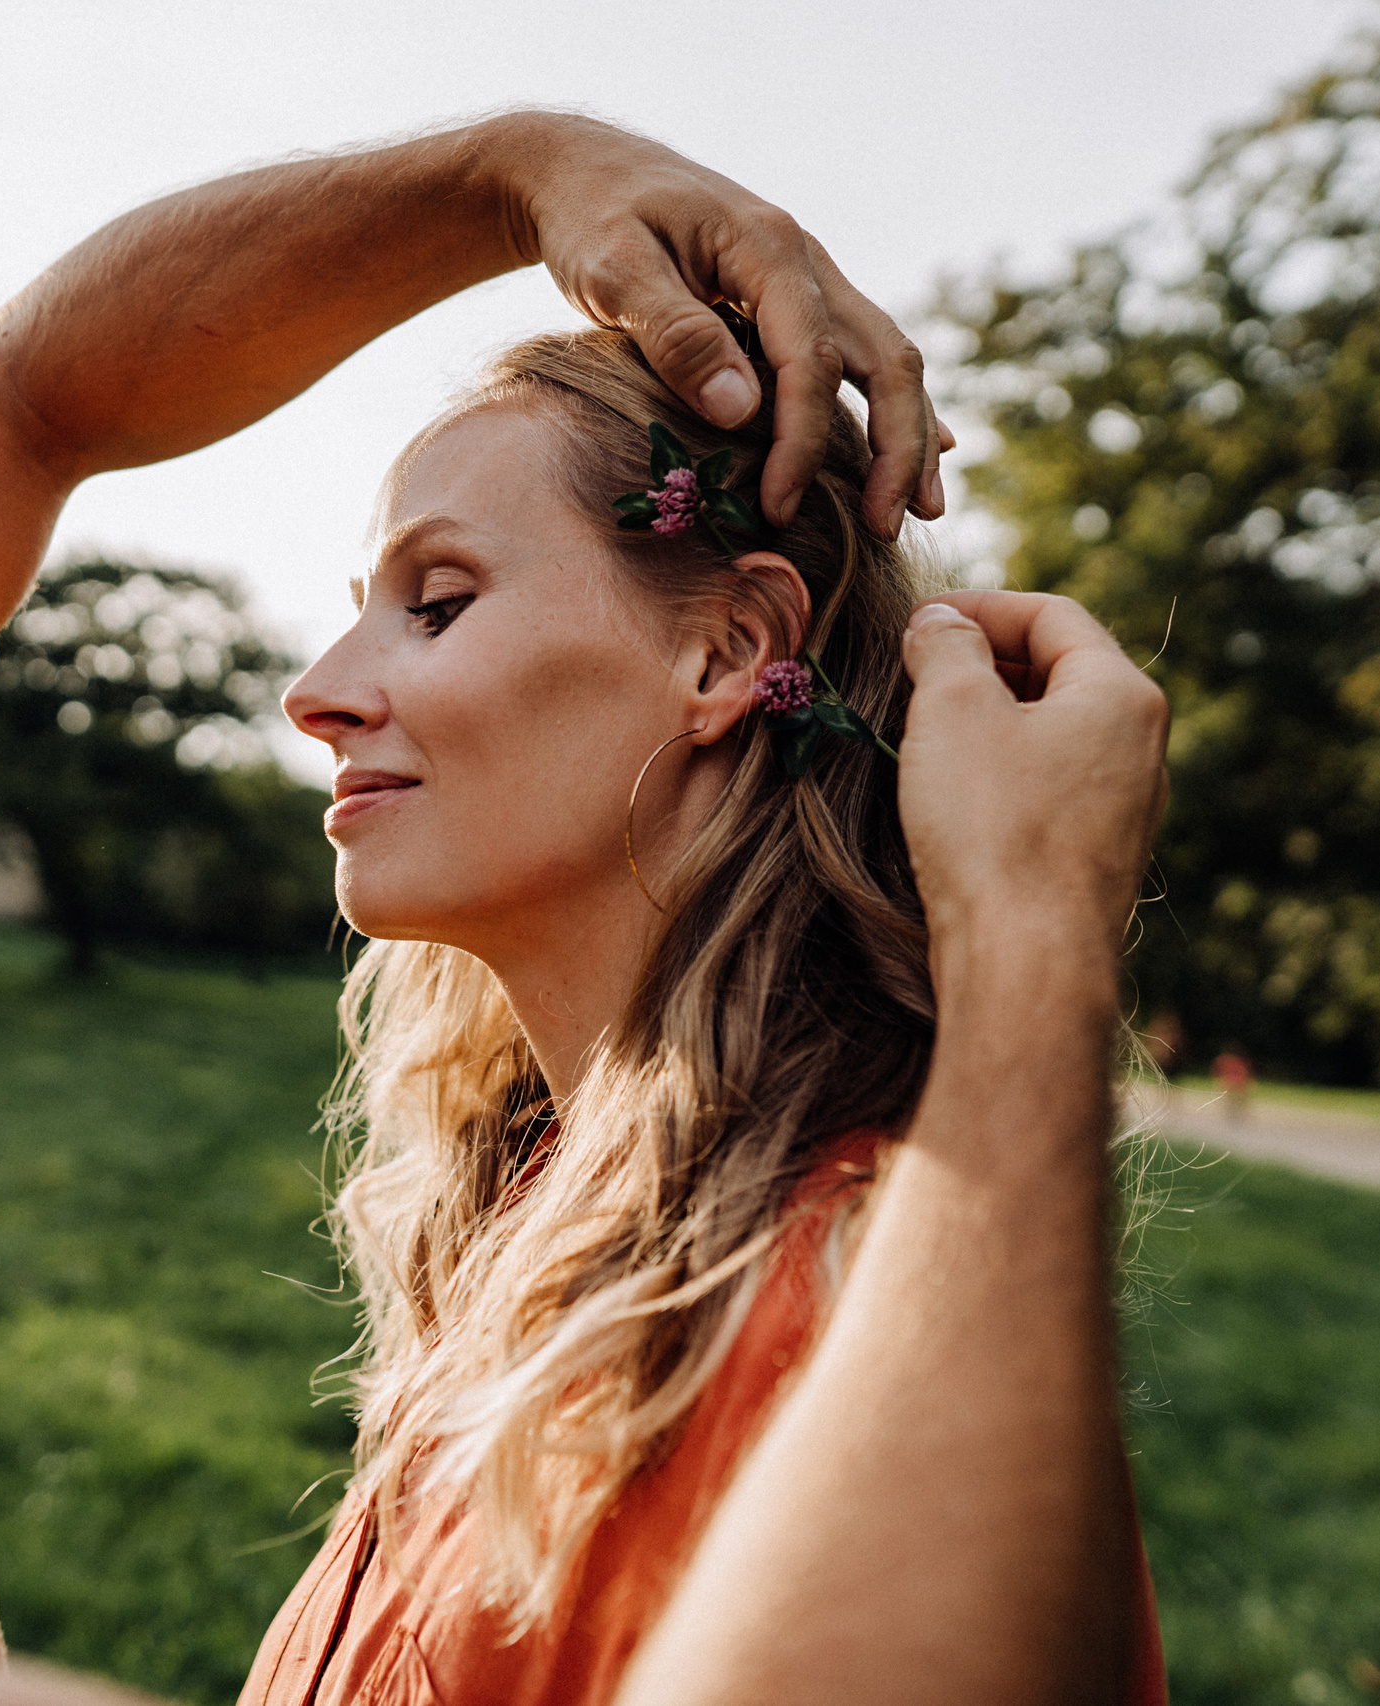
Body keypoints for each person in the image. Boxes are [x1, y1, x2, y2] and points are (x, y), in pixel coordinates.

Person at [0, 3, 1166, 1704]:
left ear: (727, 648)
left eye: (435, 601)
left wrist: (521, 165)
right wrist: (1028, 960)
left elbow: (43, 392)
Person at [250, 330, 1169, 1706]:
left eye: (435, 603)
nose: (316, 691)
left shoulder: (817, 1306)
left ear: (730, 650)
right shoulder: (539, 1217)